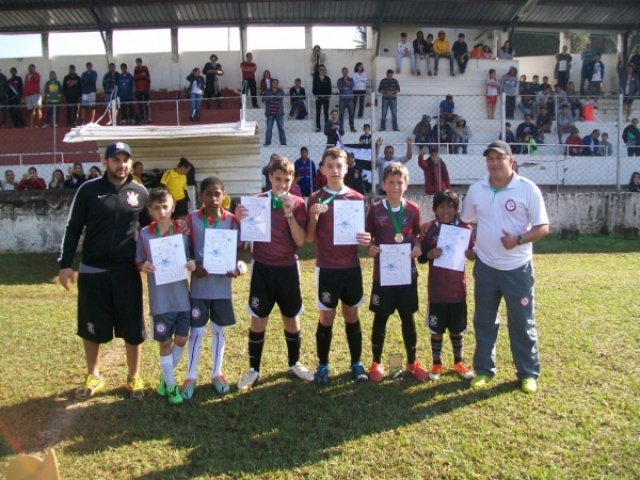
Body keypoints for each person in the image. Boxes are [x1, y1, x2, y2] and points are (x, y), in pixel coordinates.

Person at [58, 142, 151, 400]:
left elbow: (151, 227)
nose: (121, 165)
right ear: (105, 162)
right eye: (116, 160)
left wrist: (176, 235)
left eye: (125, 160)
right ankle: (94, 374)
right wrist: (65, 264)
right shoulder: (88, 190)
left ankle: (134, 376)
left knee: (132, 326)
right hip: (93, 270)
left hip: (126, 271)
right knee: (92, 325)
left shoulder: (140, 192)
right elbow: (73, 228)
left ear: (130, 162)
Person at [461, 140, 549, 394]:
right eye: (490, 159)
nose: (494, 163)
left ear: (510, 160)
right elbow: (465, 220)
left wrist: (519, 240)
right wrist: (469, 247)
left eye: (499, 158)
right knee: (484, 321)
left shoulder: (527, 189)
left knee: (522, 322)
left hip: (517, 268)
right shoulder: (477, 188)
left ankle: (527, 373)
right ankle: (484, 370)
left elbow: (542, 227)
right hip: (486, 267)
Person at [235, 157, 314, 391]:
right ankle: (253, 369)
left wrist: (289, 215)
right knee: (258, 318)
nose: (282, 184)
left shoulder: (297, 203)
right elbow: (242, 239)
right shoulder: (256, 202)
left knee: (291, 317)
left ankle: (294, 363)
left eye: (287, 180)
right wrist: (239, 220)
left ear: (292, 180)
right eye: (278, 179)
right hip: (262, 268)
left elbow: (300, 241)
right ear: (270, 177)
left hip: (287, 268)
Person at [306, 147, 372, 385]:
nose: (335, 170)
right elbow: (309, 238)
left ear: (346, 168)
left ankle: (356, 363)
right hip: (326, 267)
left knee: (351, 315)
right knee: (326, 317)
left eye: (339, 166)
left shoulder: (357, 198)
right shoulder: (315, 198)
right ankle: (323, 364)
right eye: (330, 166)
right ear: (322, 169)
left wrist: (366, 239)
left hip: (350, 267)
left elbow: (363, 235)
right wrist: (313, 219)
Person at [365, 163, 427, 382]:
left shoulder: (413, 209)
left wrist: (418, 246)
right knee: (380, 317)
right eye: (391, 182)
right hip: (384, 275)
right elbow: (369, 237)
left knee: (407, 317)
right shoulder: (375, 209)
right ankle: (376, 362)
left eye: (400, 182)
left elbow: (417, 235)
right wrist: (369, 247)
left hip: (406, 273)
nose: (395, 186)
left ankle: (412, 362)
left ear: (406, 184)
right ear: (383, 184)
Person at [183, 177, 243, 398]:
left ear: (223, 196)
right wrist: (193, 263)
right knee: (197, 331)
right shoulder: (190, 220)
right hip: (199, 287)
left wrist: (236, 268)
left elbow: (239, 252)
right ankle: (190, 376)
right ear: (201, 196)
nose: (213, 198)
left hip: (221, 288)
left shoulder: (232, 221)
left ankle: (217, 373)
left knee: (218, 330)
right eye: (208, 193)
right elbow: (184, 250)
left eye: (217, 194)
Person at [136, 189, 196, 404]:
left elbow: (190, 256)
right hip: (160, 300)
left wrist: (192, 263)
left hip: (181, 297)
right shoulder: (145, 234)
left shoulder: (182, 231)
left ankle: (165, 378)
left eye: (165, 207)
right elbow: (138, 260)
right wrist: (143, 266)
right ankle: (171, 387)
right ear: (150, 211)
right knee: (164, 343)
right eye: (156, 208)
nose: (161, 212)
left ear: (172, 207)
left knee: (182, 338)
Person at [418, 189, 476, 381]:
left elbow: (472, 252)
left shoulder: (465, 229)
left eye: (450, 207)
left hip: (457, 289)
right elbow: (421, 258)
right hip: (437, 290)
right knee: (436, 329)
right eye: (441, 207)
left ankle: (458, 362)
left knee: (457, 329)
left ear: (457, 209)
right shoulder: (430, 230)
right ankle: (437, 364)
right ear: (435, 209)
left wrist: (472, 255)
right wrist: (429, 254)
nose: (446, 211)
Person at [263, 78, 287, 146]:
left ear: (278, 84)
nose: (275, 84)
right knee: (269, 129)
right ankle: (267, 143)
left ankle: (283, 143)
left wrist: (273, 97)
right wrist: (276, 97)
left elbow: (280, 97)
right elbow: (267, 98)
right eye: (273, 82)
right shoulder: (267, 91)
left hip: (279, 113)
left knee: (281, 128)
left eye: (276, 82)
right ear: (271, 83)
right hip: (270, 113)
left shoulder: (281, 91)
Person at [312, 63, 331, 132]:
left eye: (323, 69)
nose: (322, 71)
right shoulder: (316, 79)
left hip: (326, 98)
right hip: (318, 98)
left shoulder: (327, 78)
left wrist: (329, 96)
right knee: (318, 113)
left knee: (326, 113)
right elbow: (314, 89)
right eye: (321, 69)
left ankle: (327, 127)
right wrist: (316, 96)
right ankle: (318, 127)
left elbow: (329, 88)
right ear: (318, 70)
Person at [337, 67, 356, 133]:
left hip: (350, 99)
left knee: (351, 114)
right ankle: (341, 129)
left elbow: (352, 86)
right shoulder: (339, 80)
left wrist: (346, 81)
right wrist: (347, 87)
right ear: (342, 72)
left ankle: (352, 128)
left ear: (348, 72)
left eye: (346, 71)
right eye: (344, 71)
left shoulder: (351, 79)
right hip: (342, 99)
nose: (345, 72)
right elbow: (340, 88)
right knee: (341, 114)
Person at [23, 64, 42, 128]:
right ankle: (31, 125)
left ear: (34, 68)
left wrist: (33, 73)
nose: (29, 69)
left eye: (31, 67)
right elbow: (25, 84)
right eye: (29, 68)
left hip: (35, 94)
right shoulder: (27, 75)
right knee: (30, 110)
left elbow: (36, 80)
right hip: (28, 94)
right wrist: (24, 93)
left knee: (37, 108)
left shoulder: (36, 74)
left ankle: (38, 124)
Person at [134, 57, 151, 123]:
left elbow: (148, 77)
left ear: (141, 62)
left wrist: (148, 87)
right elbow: (135, 78)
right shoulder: (136, 69)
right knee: (140, 104)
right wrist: (141, 75)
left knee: (147, 103)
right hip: (138, 90)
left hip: (145, 89)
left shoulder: (145, 68)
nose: (138, 64)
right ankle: (141, 118)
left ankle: (148, 117)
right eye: (137, 62)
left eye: (139, 62)